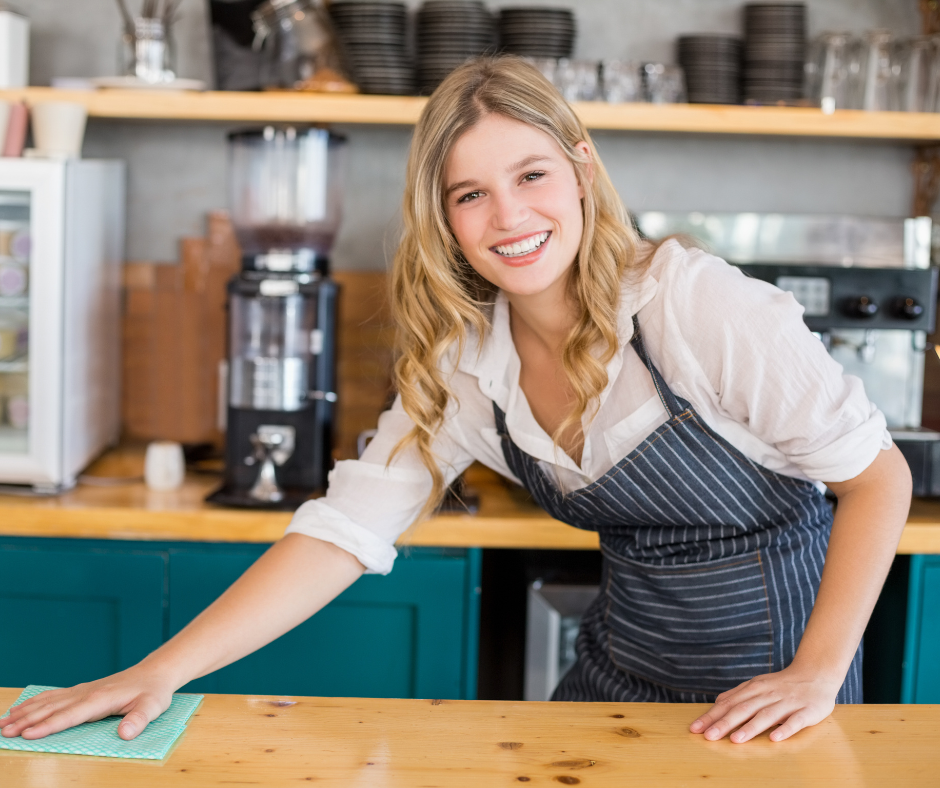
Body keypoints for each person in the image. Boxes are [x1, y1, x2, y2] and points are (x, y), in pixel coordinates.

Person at [0, 57, 911, 746]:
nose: (509, 218)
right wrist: (159, 672)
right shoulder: (469, 361)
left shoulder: (692, 306)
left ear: (582, 170)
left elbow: (879, 480)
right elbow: (344, 531)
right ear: (443, 219)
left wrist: (818, 671)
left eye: (531, 176)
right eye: (470, 195)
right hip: (615, 680)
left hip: (776, 692)